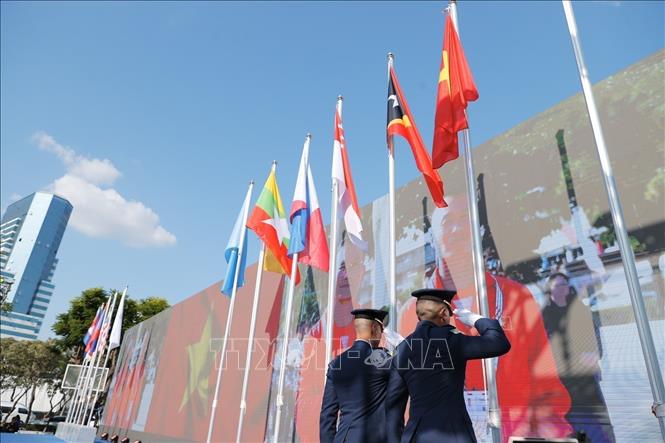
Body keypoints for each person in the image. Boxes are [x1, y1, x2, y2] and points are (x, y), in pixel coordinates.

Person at [416, 197, 574, 441]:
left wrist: (553, 433)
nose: (458, 229)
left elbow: (545, 381)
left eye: (465, 221)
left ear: (478, 231)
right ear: (433, 236)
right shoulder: (410, 313)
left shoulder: (516, 297)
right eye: (448, 222)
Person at [386, 288, 510, 443]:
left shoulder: (402, 349)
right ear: (444, 313)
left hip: (415, 436)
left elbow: (393, 407)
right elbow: (499, 343)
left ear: (418, 315)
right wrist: (477, 320)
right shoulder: (451, 339)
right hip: (453, 434)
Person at [542, 272, 615, 442]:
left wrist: (595, 355)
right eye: (558, 285)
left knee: (599, 424)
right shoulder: (544, 315)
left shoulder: (580, 309)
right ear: (549, 291)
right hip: (563, 381)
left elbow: (595, 337)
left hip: (586, 377)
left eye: (565, 284)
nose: (563, 288)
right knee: (573, 425)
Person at [320, 308, 391, 443]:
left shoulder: (336, 364)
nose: (381, 336)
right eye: (381, 331)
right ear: (375, 328)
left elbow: (327, 415)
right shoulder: (382, 360)